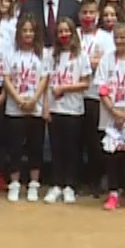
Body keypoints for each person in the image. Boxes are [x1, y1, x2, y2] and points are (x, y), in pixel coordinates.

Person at [95, 22, 125, 212]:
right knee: (111, 157)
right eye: (116, 37)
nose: (119, 41)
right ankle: (113, 193)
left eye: (123, 37)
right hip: (110, 117)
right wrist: (114, 111)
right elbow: (102, 88)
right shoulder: (106, 60)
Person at [0, 17, 49, 202]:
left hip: (35, 108)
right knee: (15, 147)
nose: (28, 34)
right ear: (19, 33)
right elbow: (6, 79)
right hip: (15, 108)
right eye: (24, 30)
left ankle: (34, 184)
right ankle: (14, 183)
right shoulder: (10, 54)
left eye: (31, 31)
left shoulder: (42, 54)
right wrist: (19, 99)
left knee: (35, 146)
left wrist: (34, 99)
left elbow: (44, 79)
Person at [45, 19, 90, 204]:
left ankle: (70, 186)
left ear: (73, 33)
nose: (64, 35)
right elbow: (46, 82)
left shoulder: (81, 55)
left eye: (67, 31)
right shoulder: (51, 55)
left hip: (73, 109)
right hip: (55, 108)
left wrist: (65, 88)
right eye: (60, 31)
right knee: (56, 149)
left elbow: (86, 83)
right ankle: (57, 184)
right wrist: (46, 108)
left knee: (72, 149)